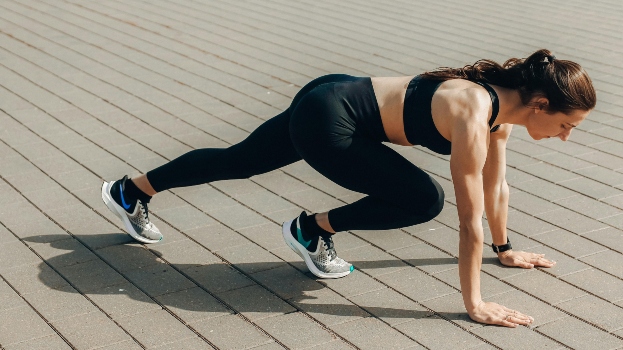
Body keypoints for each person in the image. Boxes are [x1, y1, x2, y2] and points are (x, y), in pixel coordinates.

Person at [101, 49, 596, 328]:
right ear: (539, 103)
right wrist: (475, 305)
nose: (566, 136)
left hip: (333, 90)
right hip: (331, 120)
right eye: (567, 124)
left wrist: (506, 249)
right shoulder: (474, 114)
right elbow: (468, 220)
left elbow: (498, 185)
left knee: (241, 161)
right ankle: (312, 230)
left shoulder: (500, 112)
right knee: (425, 200)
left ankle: (133, 190)